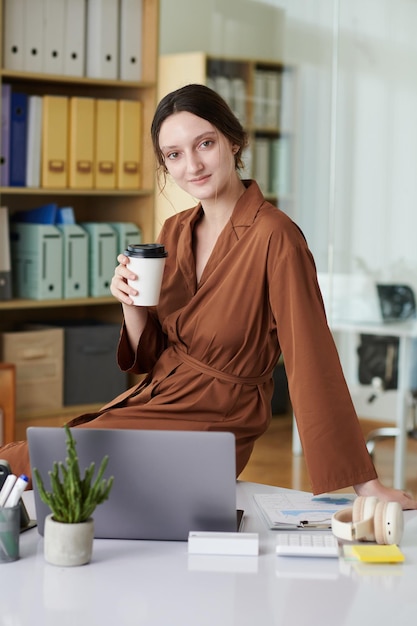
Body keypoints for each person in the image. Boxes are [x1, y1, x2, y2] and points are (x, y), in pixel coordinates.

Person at [1, 84, 416, 508]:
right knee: (36, 466)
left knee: (40, 463)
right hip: (157, 402)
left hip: (217, 420)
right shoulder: (174, 231)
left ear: (234, 142)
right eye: (174, 154)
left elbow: (312, 359)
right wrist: (131, 305)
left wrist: (366, 485)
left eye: (205, 144)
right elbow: (150, 357)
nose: (193, 165)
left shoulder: (276, 237)